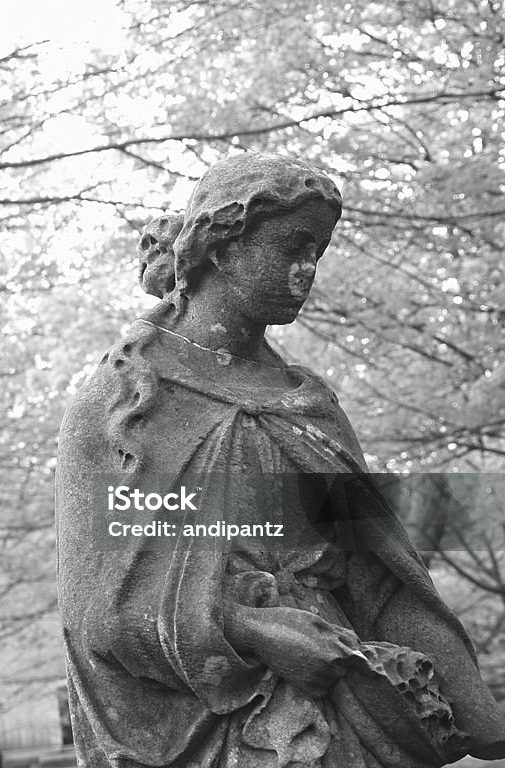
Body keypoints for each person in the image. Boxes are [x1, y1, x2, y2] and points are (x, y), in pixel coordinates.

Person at [56, 152, 505, 768]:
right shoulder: (125, 403)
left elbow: (377, 580)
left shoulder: (307, 403)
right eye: (293, 246)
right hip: (210, 725)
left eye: (317, 253)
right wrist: (252, 629)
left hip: (343, 715)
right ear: (221, 244)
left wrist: (477, 710)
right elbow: (97, 614)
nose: (306, 272)